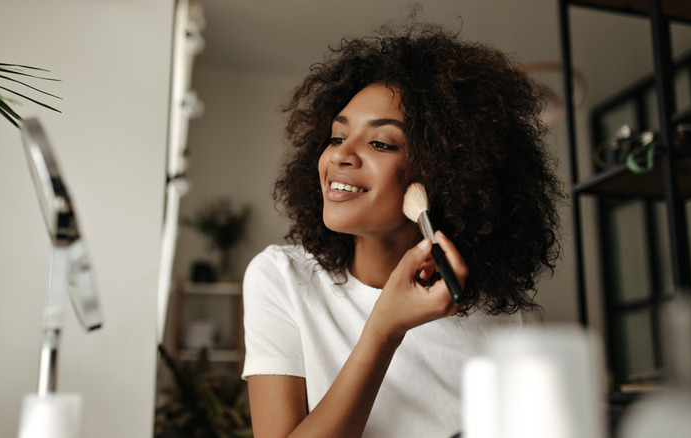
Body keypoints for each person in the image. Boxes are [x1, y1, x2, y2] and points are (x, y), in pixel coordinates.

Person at [241, 20, 563, 438]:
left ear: (447, 175)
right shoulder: (282, 279)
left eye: (380, 143)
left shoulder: (509, 324)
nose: (340, 155)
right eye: (337, 137)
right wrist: (384, 329)